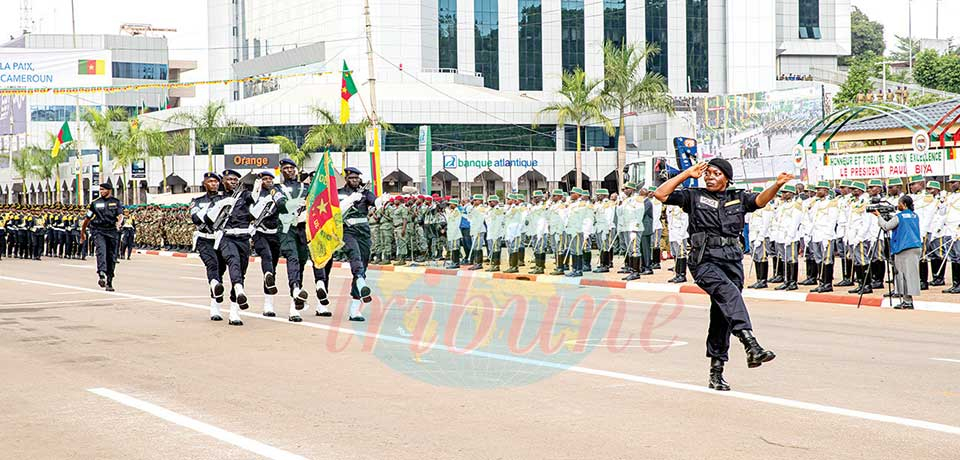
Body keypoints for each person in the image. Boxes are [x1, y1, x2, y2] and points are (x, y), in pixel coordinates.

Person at [654, 159, 787, 391]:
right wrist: (687, 174)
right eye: (708, 173)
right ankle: (751, 344)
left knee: (722, 312)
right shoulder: (693, 196)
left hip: (732, 260)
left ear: (727, 177)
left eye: (716, 173)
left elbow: (759, 201)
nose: (710, 177)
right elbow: (661, 194)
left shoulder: (738, 197)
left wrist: (776, 185)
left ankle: (716, 373)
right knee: (729, 295)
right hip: (704, 260)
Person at [336, 166, 379, 322]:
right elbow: (336, 211)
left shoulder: (365, 193)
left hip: (363, 232)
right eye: (352, 178)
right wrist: (350, 200)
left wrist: (382, 201)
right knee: (355, 258)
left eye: (357, 178)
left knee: (363, 264)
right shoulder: (339, 192)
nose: (355, 180)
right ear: (346, 178)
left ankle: (355, 310)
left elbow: (375, 201)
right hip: (347, 231)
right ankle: (360, 282)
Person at [190, 172, 228, 322]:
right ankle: (214, 305)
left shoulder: (225, 199)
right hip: (204, 239)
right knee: (212, 264)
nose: (214, 184)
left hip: (220, 238)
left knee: (220, 270)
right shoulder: (197, 201)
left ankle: (216, 298)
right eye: (210, 181)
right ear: (204, 183)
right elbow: (196, 218)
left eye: (216, 181)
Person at [876, 195, 922, 309]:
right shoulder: (914, 215)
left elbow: (886, 226)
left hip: (904, 248)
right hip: (915, 247)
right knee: (910, 274)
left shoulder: (899, 216)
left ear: (904, 204)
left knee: (904, 275)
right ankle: (907, 300)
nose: (898, 205)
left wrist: (879, 216)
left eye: (899, 203)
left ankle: (907, 301)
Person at [251, 170, 285, 317]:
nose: (268, 181)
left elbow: (284, 207)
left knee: (273, 265)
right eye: (265, 179)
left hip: (275, 233)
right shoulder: (255, 193)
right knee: (267, 257)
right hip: (260, 232)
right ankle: (268, 274)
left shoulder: (278, 191)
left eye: (270, 178)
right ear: (260, 181)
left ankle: (269, 302)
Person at [81, 183, 124, 292]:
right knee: (101, 251)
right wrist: (83, 232)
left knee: (112, 256)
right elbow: (87, 218)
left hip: (112, 231)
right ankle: (101, 274)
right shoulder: (95, 203)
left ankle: (109, 281)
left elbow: (120, 215)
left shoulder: (116, 202)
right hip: (98, 230)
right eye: (100, 189)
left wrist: (119, 222)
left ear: (109, 190)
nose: (101, 191)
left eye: (103, 189)